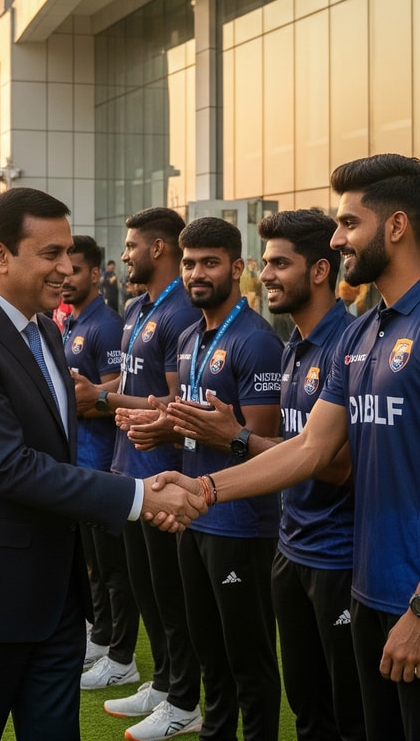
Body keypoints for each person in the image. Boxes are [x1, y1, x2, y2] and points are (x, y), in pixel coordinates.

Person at [154, 153, 420, 740]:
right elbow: (310, 448)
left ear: (396, 227)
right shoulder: (366, 330)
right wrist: (206, 488)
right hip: (368, 586)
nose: (338, 239)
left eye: (349, 223)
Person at [0, 188, 203, 740]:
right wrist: (137, 497)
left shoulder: (41, 327)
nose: (67, 267)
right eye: (50, 254)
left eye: (68, 253)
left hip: (54, 597)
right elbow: (11, 467)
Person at [168, 208, 365, 741]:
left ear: (320, 270)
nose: (267, 275)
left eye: (279, 263)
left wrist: (230, 443)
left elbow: (333, 461)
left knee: (343, 715)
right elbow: (292, 447)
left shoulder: (346, 344)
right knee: (306, 708)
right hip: (291, 544)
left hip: (337, 555)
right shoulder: (298, 347)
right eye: (266, 262)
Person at [137, 217, 285, 741]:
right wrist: (164, 428)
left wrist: (199, 430)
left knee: (248, 660)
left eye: (210, 263)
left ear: (238, 268)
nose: (197, 273)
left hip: (241, 523)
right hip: (193, 514)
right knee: (209, 655)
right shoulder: (187, 337)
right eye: (189, 263)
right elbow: (197, 428)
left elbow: (259, 446)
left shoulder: (257, 341)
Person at [70, 206, 205, 740]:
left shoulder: (179, 314)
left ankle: (183, 698)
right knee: (148, 590)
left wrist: (101, 396)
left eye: (130, 246)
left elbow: (178, 401)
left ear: (157, 249)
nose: (123, 255)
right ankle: (166, 683)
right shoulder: (137, 309)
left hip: (163, 474)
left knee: (170, 596)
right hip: (129, 468)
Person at [59, 236, 142, 691]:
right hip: (80, 460)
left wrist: (81, 403)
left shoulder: (106, 325)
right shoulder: (71, 321)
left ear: (95, 274)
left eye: (74, 270)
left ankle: (121, 653)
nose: (64, 278)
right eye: (60, 269)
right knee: (93, 561)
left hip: (105, 459)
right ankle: (101, 633)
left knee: (113, 565)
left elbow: (110, 388)